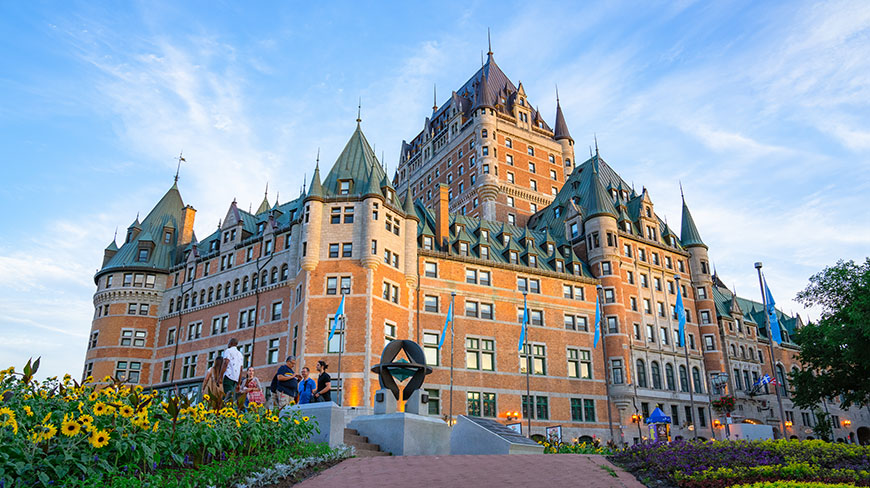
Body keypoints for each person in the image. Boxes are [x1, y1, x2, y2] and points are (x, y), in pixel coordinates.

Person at [221, 338, 244, 403]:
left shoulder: (228, 351)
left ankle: (226, 411)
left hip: (228, 376)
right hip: (235, 379)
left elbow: (225, 363)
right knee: (230, 397)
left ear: (231, 343)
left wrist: (220, 377)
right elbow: (241, 369)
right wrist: (239, 383)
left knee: (227, 397)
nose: (228, 344)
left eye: (228, 343)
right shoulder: (240, 354)